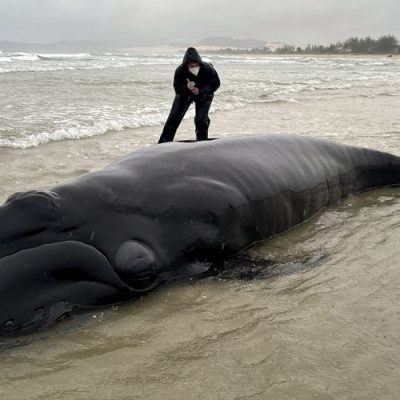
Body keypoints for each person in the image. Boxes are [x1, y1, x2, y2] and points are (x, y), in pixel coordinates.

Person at [158, 47, 220, 143]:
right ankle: (163, 143)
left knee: (201, 119)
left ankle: (202, 142)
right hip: (186, 94)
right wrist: (187, 88)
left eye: (196, 65)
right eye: (191, 66)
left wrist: (201, 91)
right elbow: (177, 88)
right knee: (173, 117)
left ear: (199, 63)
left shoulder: (208, 69)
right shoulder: (180, 71)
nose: (194, 67)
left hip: (204, 94)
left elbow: (215, 84)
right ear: (186, 65)